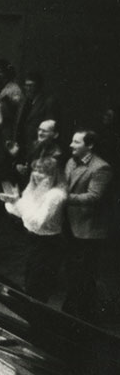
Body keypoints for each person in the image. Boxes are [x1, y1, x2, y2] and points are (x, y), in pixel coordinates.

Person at [62, 129, 113, 321]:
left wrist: (64, 198)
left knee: (85, 273)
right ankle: (73, 310)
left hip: (88, 229)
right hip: (70, 224)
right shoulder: (70, 161)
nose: (71, 145)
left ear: (89, 145)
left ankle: (84, 315)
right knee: (72, 270)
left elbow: (94, 196)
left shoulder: (101, 168)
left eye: (76, 142)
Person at [0, 157, 67, 300]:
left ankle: (38, 320)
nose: (36, 175)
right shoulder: (33, 190)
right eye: (35, 170)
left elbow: (37, 223)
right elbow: (20, 213)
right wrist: (11, 201)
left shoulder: (55, 195)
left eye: (42, 172)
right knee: (30, 283)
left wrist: (18, 202)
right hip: (34, 240)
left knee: (37, 286)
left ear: (52, 175)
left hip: (49, 243)